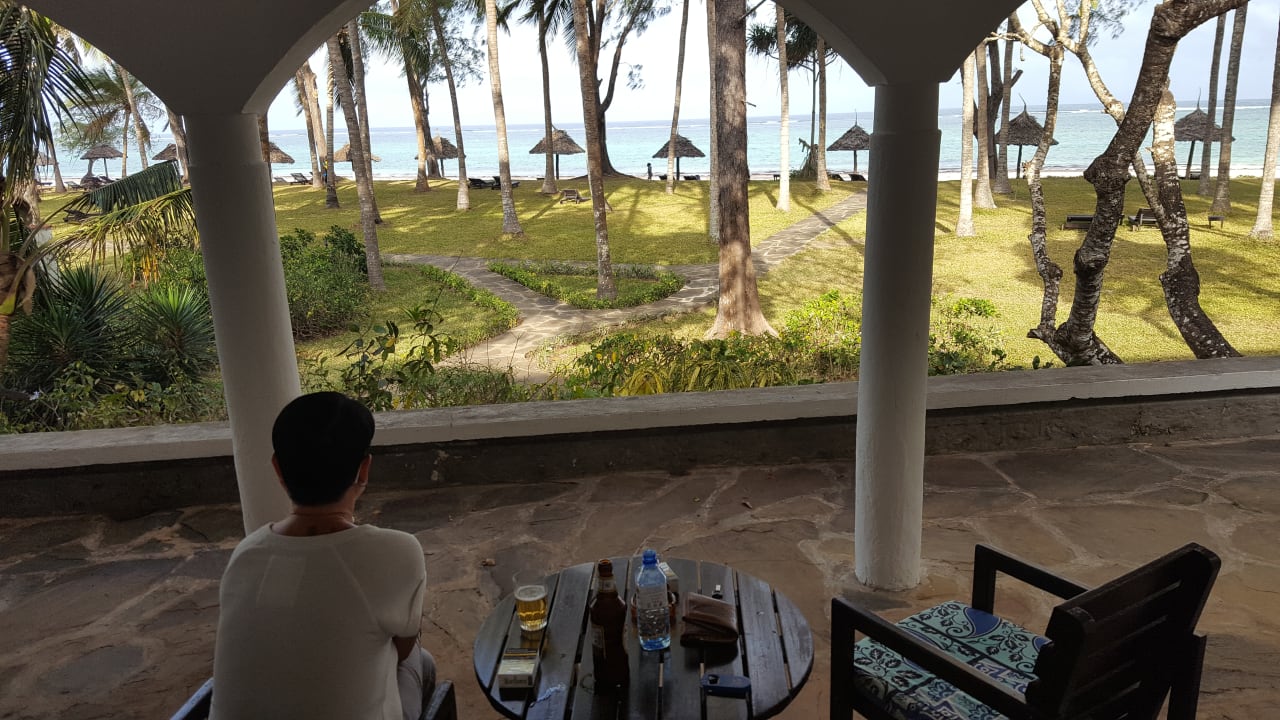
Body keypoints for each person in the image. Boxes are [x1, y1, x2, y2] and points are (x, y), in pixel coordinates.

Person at [209, 392, 435, 720]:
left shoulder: (245, 556)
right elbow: (401, 651)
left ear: (277, 468)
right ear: (364, 470)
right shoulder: (394, 552)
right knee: (420, 660)